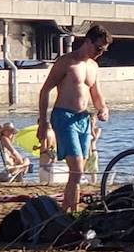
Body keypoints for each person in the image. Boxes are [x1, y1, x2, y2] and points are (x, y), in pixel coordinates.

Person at [37, 25, 111, 213]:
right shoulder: (66, 62)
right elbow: (45, 90)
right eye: (98, 48)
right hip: (64, 116)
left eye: (103, 50)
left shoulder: (93, 67)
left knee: (79, 171)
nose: (99, 53)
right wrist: (44, 123)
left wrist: (103, 109)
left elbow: (96, 95)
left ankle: (70, 212)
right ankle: (67, 213)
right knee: (77, 168)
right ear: (88, 41)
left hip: (83, 119)